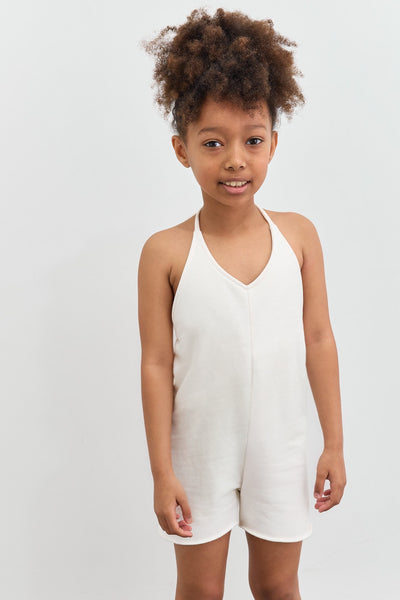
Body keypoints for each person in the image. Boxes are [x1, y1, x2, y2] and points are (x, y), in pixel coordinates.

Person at [138, 7, 347, 600]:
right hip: (198, 450)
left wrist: (334, 444)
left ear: (273, 144)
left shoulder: (299, 237)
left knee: (278, 586)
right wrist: (162, 473)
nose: (235, 159)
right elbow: (155, 363)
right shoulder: (165, 253)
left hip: (281, 446)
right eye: (213, 142)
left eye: (252, 140)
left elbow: (318, 339)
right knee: (200, 591)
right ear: (181, 149)